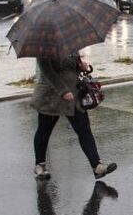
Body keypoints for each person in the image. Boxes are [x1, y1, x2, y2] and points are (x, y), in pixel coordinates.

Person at [31, 52, 116, 180]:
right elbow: (48, 72)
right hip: (51, 97)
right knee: (44, 131)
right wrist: (63, 91)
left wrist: (81, 66)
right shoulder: (45, 47)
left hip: (74, 96)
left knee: (84, 130)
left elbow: (73, 66)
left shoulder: (70, 45)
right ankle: (40, 165)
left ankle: (97, 166)